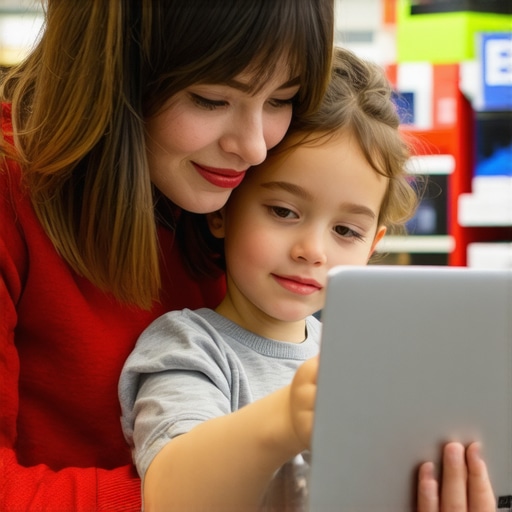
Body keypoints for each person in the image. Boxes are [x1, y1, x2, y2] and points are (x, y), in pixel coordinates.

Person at [119, 48, 496, 512]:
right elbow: (168, 495)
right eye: (283, 211)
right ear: (224, 208)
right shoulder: (188, 348)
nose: (312, 250)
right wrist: (283, 420)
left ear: (372, 244)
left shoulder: (362, 359)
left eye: (345, 231)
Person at [0, 1, 335, 510]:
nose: (254, 148)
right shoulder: (13, 195)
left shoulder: (219, 192)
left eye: (282, 99)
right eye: (210, 99)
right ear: (112, 73)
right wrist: (208, 491)